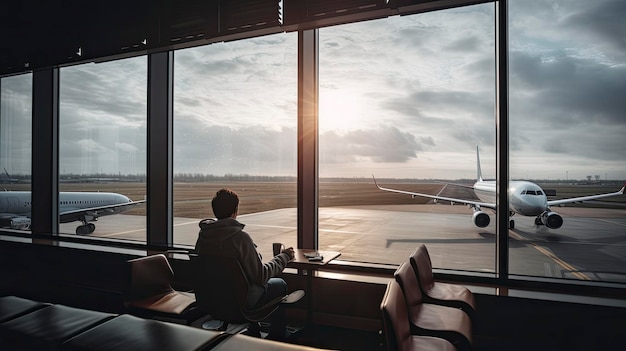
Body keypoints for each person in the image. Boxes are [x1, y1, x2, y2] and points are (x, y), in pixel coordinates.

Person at [194, 188, 296, 340]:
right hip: (240, 305)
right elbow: (260, 276)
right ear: (235, 210)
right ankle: (278, 334)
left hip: (213, 301)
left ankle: (253, 329)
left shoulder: (203, 237)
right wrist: (284, 257)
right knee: (280, 284)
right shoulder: (240, 238)